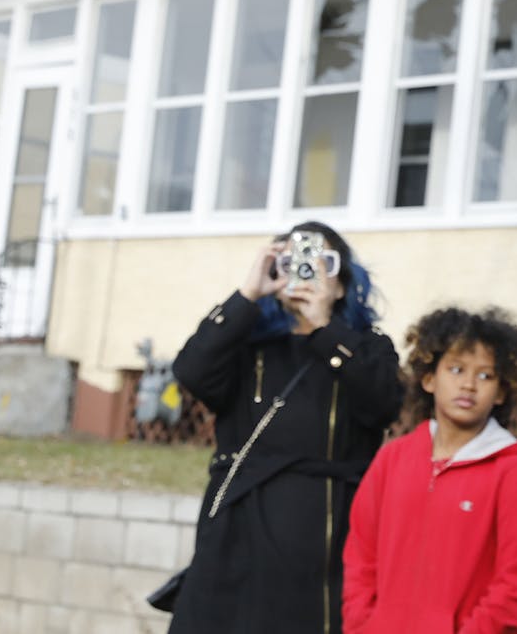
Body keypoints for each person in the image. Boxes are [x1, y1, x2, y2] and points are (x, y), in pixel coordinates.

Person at [169, 221, 406, 634]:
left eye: (323, 262)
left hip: (324, 542)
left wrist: (325, 329)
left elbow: (382, 403)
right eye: (293, 261)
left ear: (343, 283)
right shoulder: (247, 348)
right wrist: (247, 295)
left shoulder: (365, 347)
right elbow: (191, 370)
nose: (307, 272)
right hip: (238, 533)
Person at [342, 305, 517, 634]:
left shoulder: (514, 470)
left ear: (501, 392)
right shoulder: (391, 459)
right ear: (428, 379)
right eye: (456, 369)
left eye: (485, 375)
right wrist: (362, 625)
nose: (469, 384)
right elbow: (360, 558)